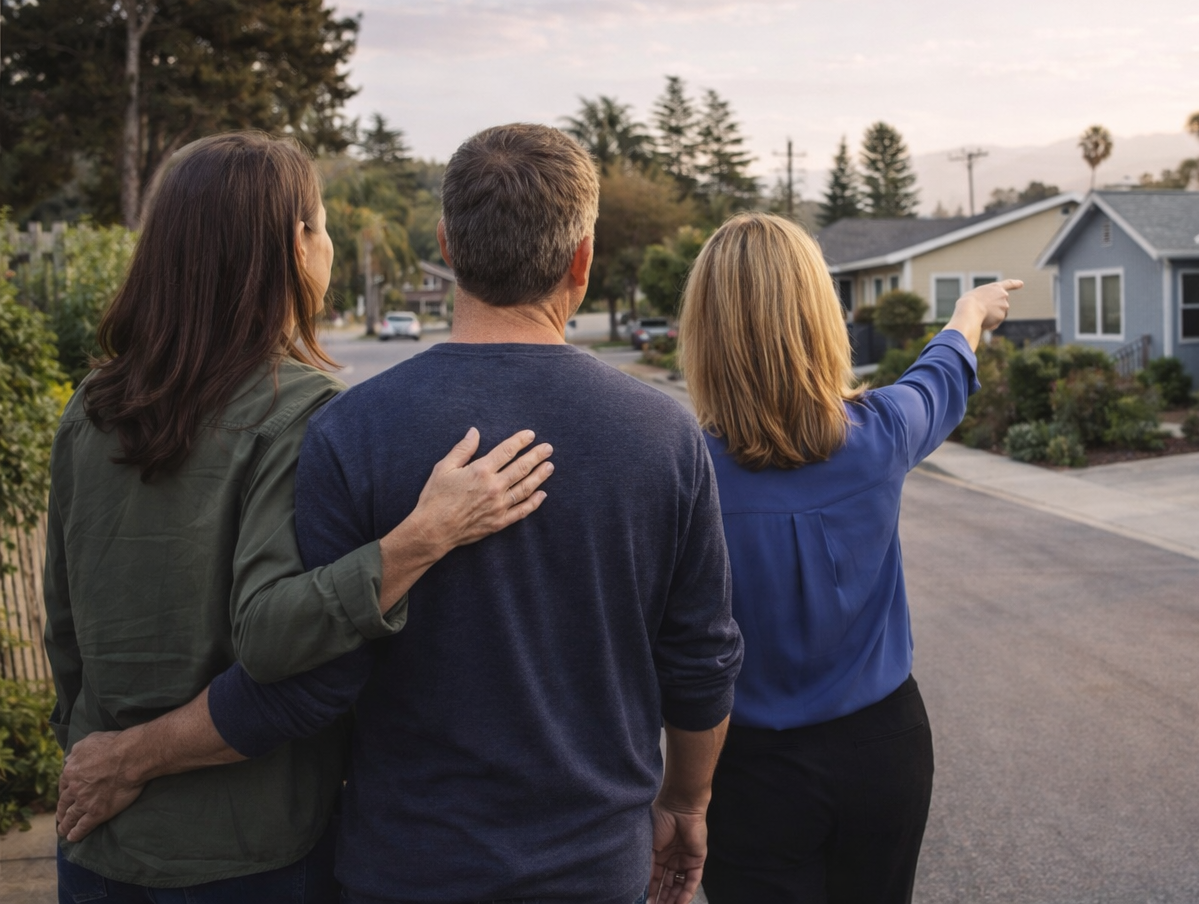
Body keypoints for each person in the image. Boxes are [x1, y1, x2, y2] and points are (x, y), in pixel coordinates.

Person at [55, 123, 744, 904]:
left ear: (445, 245)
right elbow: (700, 660)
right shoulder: (663, 433)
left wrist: (114, 751)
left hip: (401, 863)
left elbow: (309, 682)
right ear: (582, 258)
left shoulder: (350, 427)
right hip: (586, 864)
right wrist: (685, 804)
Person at [679, 213, 1021, 904]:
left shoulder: (682, 476)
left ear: (705, 331)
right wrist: (968, 312)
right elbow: (942, 373)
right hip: (884, 753)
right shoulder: (881, 434)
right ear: (819, 319)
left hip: (748, 770)